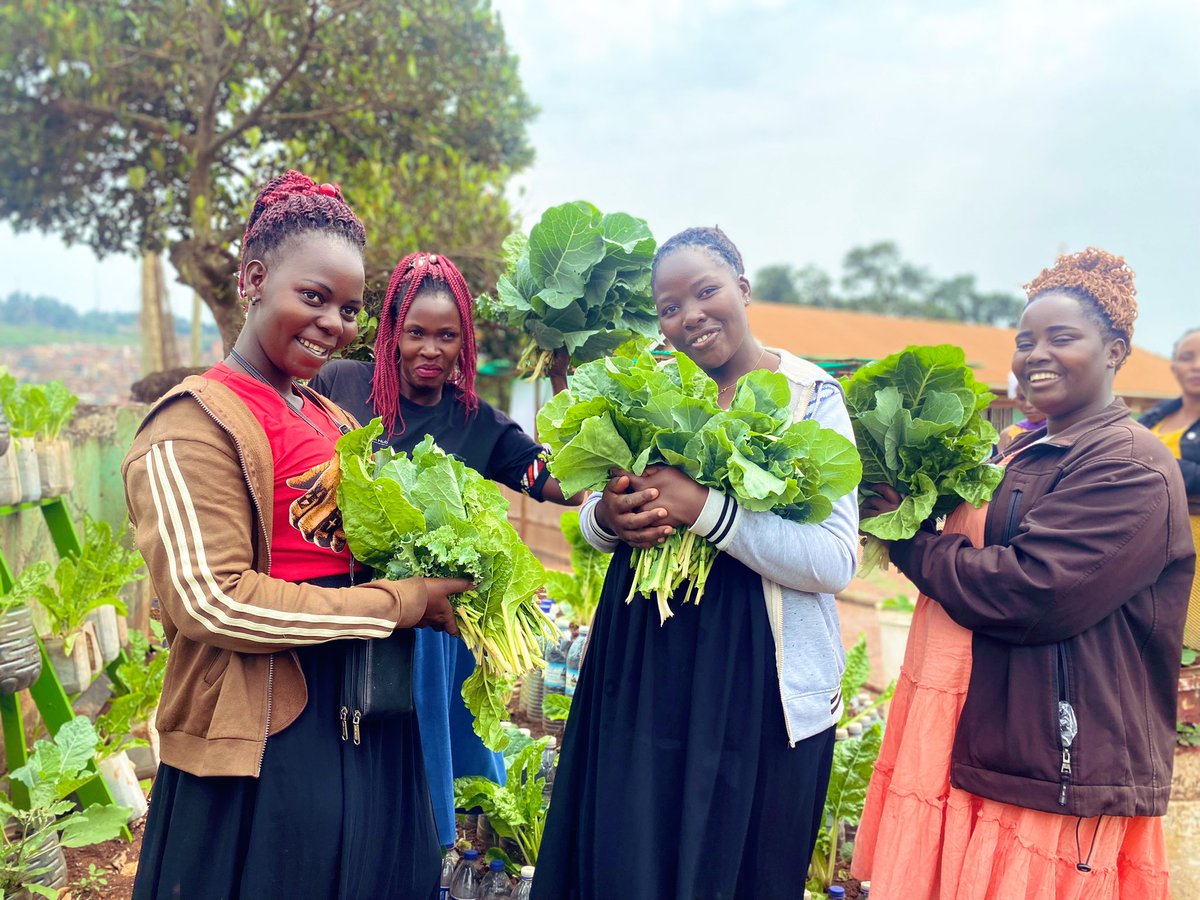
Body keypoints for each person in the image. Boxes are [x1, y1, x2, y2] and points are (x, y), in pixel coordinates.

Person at [123, 171, 471, 899]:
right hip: (265, 746)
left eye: (349, 309)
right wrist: (396, 603)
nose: (334, 324)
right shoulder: (192, 423)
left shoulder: (334, 422)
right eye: (313, 297)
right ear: (253, 279)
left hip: (371, 718)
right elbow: (211, 601)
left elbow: (368, 554)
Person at [851, 248, 1193, 898]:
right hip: (985, 729)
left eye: (1061, 338)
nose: (1035, 354)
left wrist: (909, 545)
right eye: (1025, 340)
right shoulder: (1018, 447)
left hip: (1055, 757)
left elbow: (1034, 591)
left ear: (1115, 348)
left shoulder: (1130, 464)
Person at [532, 227, 859, 899]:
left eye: (706, 291)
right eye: (670, 306)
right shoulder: (644, 383)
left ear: (743, 287)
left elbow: (835, 560)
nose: (690, 316)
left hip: (753, 687)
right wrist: (607, 518)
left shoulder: (811, 397)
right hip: (642, 667)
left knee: (730, 869)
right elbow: (595, 509)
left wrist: (708, 509)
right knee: (629, 860)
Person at [309, 251, 582, 847]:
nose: (430, 349)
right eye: (415, 333)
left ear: (464, 342)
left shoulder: (476, 422)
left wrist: (562, 377)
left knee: (426, 775)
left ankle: (425, 864)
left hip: (437, 632)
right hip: (352, 609)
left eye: (446, 336)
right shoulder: (342, 384)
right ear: (391, 333)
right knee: (346, 767)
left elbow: (561, 483)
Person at [1140, 327, 1200, 648]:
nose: (1197, 366)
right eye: (1187, 358)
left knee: (1191, 641)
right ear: (1174, 366)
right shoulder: (1155, 416)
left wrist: (1156, 462)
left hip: (1195, 539)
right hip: (1147, 543)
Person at [995, 373, 1047, 455]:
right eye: (1021, 398)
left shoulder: (1065, 430)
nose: (1028, 405)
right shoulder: (1008, 434)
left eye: (1035, 397)